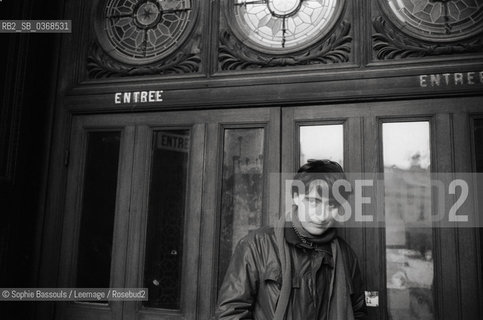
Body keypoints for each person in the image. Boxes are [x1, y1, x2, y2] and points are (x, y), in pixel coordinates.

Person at [216, 160, 367, 320]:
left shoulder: (346, 255)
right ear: (296, 196)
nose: (322, 216)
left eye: (331, 205)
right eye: (314, 201)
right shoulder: (256, 245)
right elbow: (230, 314)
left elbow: (358, 313)